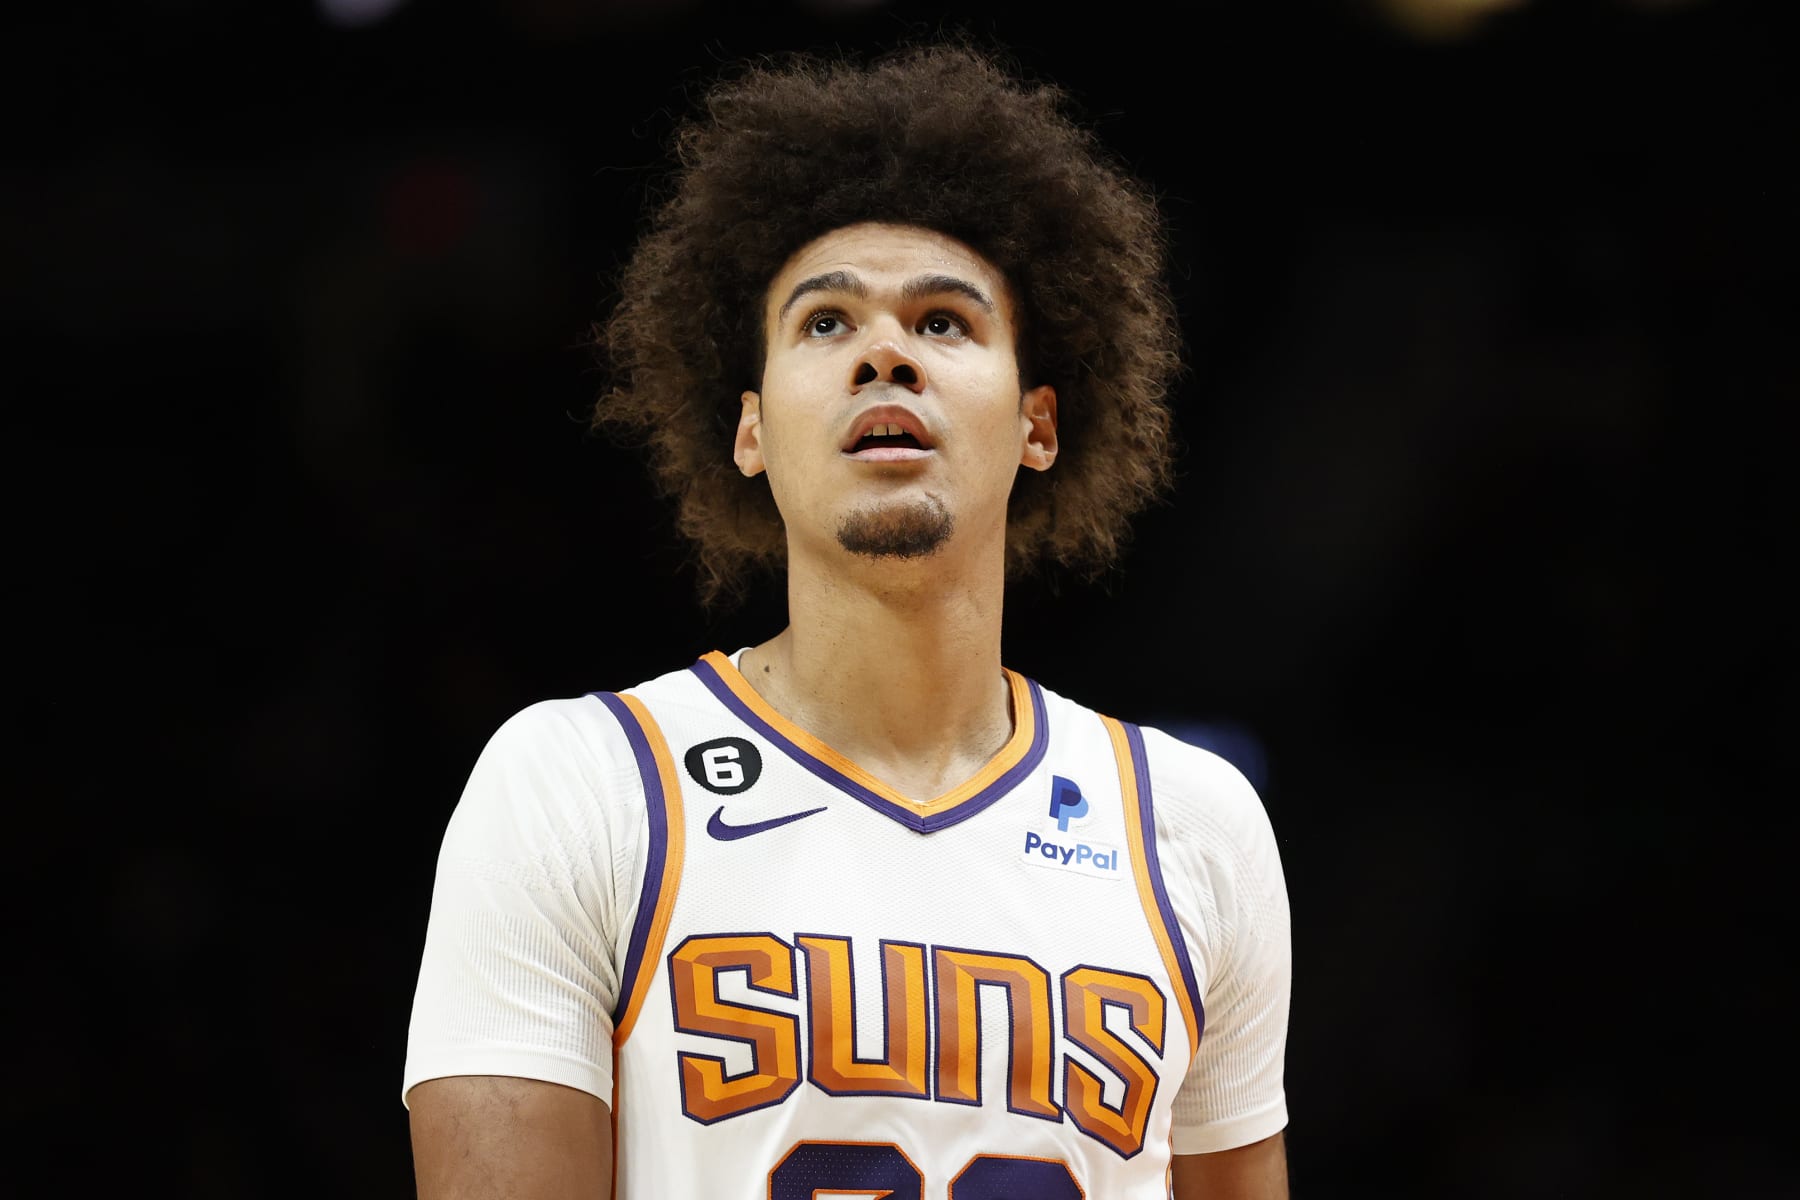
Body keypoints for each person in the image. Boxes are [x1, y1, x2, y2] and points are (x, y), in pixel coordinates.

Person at [402, 41, 1292, 1199]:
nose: (885, 351)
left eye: (945, 322)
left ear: (1038, 423)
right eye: (825, 324)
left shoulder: (1195, 829)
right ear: (750, 430)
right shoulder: (579, 787)